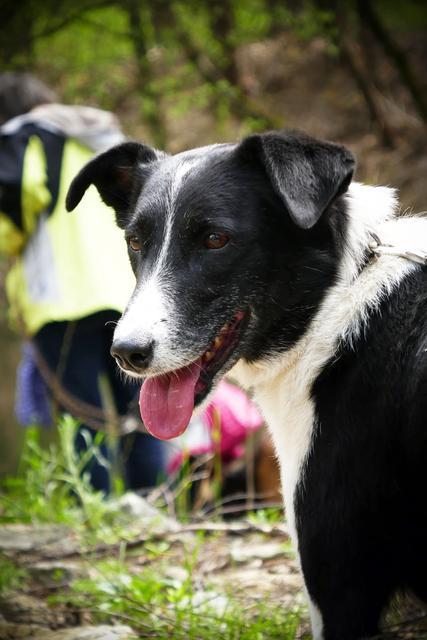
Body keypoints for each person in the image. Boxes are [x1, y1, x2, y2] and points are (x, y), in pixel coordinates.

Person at [0, 73, 165, 493]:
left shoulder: (24, 137)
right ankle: (152, 508)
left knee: (85, 418)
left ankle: (98, 515)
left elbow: (18, 196)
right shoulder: (104, 138)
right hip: (129, 296)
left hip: (62, 300)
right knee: (141, 412)